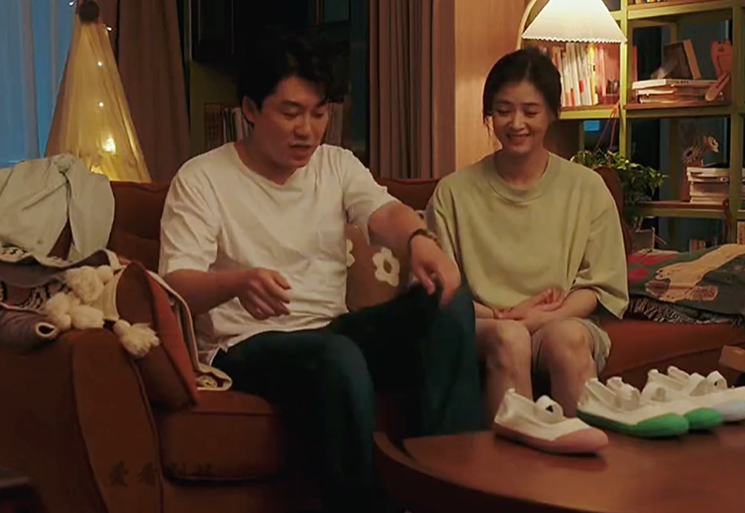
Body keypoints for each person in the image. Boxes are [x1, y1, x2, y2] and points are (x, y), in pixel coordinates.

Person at [159, 31, 484, 513]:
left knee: (447, 302)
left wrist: (419, 239)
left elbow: (383, 212)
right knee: (337, 356)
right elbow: (175, 287)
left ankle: (453, 492)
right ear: (250, 109)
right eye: (290, 113)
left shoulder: (336, 165)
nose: (307, 131)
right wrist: (237, 282)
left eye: (319, 113)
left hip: (331, 332)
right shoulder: (202, 178)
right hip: (244, 346)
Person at [427, 47, 629, 420]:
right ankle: (515, 458)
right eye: (503, 110)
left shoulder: (587, 188)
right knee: (511, 339)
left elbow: (598, 286)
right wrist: (501, 317)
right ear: (489, 114)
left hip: (563, 319)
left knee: (569, 340)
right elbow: (439, 289)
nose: (516, 123)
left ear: (552, 113)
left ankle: (587, 455)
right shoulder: (453, 193)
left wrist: (544, 318)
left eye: (530, 111)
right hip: (484, 323)